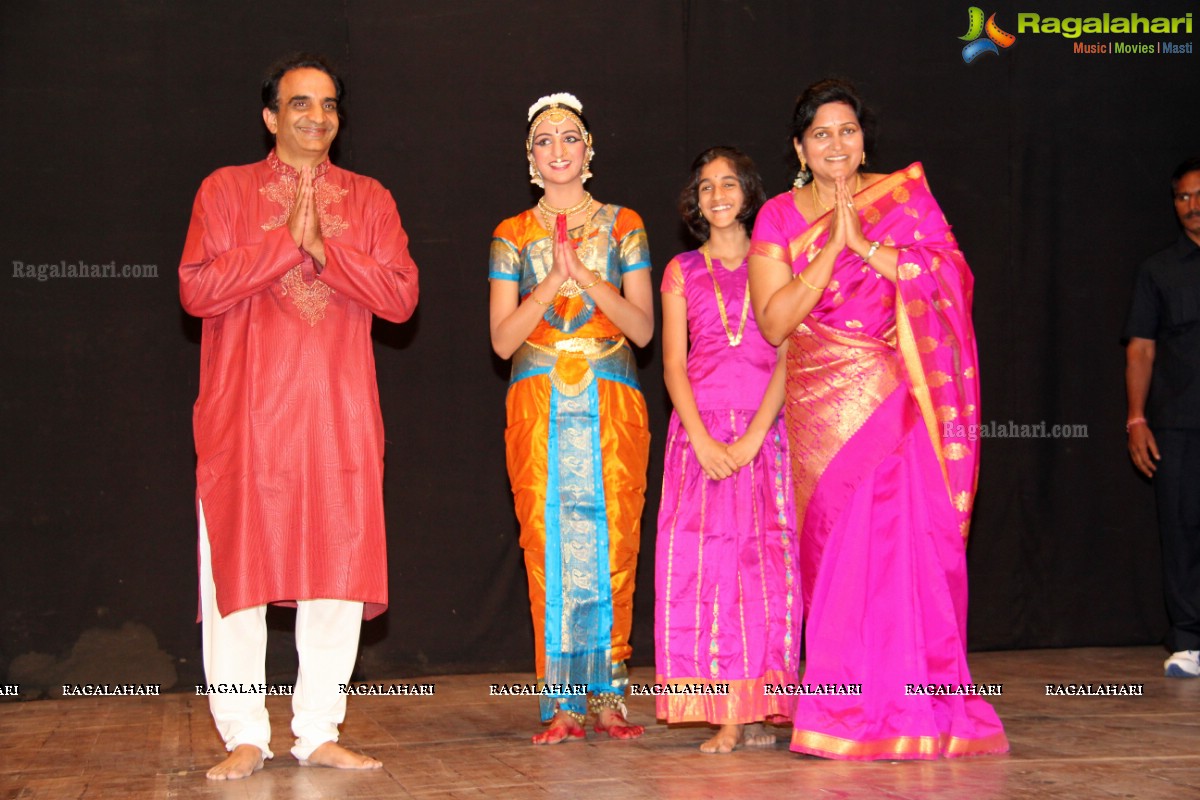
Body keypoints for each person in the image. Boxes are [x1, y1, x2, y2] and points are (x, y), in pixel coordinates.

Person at [747, 78, 1007, 760]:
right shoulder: (777, 216)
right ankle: (843, 714)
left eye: (849, 130)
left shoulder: (903, 197)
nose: (838, 144)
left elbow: (949, 279)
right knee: (836, 561)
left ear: (865, 138)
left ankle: (916, 712)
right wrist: (833, 244)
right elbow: (774, 323)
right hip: (819, 409)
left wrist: (865, 243)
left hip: (896, 401)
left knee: (906, 554)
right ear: (799, 147)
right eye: (822, 134)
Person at [179, 54, 418, 779]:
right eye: (300, 103)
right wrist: (286, 243)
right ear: (270, 116)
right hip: (247, 416)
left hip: (337, 412)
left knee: (337, 571)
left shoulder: (370, 198)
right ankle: (244, 731)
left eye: (329, 105)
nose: (317, 116)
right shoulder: (226, 191)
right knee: (236, 578)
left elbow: (402, 297)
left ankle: (317, 730)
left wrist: (328, 249)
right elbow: (197, 289)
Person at [488, 92, 654, 744]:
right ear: (531, 160)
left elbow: (642, 328)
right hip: (538, 402)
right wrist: (552, 285)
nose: (558, 149)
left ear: (589, 152)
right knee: (547, 546)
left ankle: (609, 694)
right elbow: (503, 342)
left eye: (570, 138)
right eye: (544, 141)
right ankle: (561, 701)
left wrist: (584, 274)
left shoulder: (624, 224)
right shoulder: (511, 234)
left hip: (611, 397)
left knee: (616, 541)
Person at [654, 146, 798, 753]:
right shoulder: (681, 270)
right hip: (701, 438)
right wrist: (706, 440)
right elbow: (672, 365)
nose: (718, 194)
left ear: (749, 192)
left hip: (765, 435)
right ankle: (727, 715)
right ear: (696, 199)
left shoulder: (778, 262)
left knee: (764, 567)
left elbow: (791, 353)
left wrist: (757, 435)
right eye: (706, 185)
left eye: (729, 183)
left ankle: (763, 707)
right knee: (706, 568)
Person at [1124, 157, 1200, 678]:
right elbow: (1142, 350)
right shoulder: (1159, 270)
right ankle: (1190, 639)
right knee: (1183, 528)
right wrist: (1136, 419)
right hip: (1180, 421)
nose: (1192, 208)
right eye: (1182, 198)